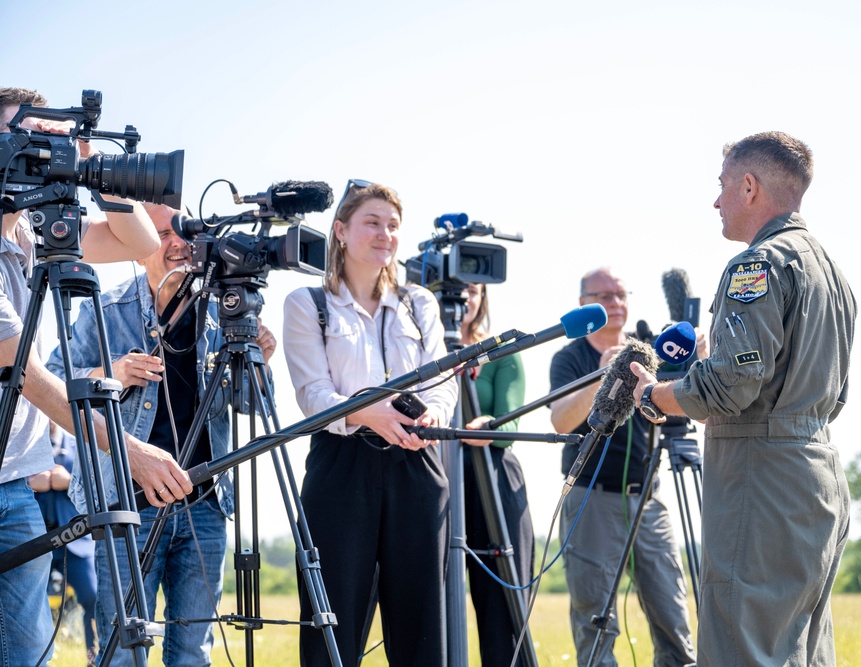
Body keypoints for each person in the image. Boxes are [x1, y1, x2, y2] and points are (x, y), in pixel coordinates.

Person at [630, 131, 856, 666]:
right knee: (800, 650)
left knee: (743, 650)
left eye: (723, 185)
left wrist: (656, 395)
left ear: (750, 186)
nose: (716, 200)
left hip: (763, 480)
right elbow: (828, 390)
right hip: (817, 472)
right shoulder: (831, 272)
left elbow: (732, 386)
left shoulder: (757, 265)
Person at [1, 86, 191, 667]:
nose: (39, 152)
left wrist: (93, 171)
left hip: (14, 487)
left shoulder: (34, 233)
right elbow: (24, 373)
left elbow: (137, 242)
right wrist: (128, 449)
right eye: (25, 136)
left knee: (27, 653)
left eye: (48, 139)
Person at [46, 201, 276, 666]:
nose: (176, 244)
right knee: (122, 650)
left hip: (205, 506)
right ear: (135, 245)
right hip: (129, 507)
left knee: (193, 652)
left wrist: (259, 361)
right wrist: (110, 371)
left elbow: (255, 408)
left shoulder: (223, 314)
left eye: (185, 234)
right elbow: (52, 380)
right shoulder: (106, 309)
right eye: (161, 234)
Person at [283, 180, 457, 666]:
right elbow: (312, 393)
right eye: (372, 223)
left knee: (422, 627)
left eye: (393, 226)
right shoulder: (307, 303)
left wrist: (436, 411)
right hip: (341, 466)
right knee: (332, 627)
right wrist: (364, 411)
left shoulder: (419, 301)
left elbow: (443, 379)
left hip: (416, 461)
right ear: (340, 230)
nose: (385, 234)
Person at [549, 267, 696, 667]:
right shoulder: (570, 357)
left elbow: (679, 411)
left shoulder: (646, 349)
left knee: (673, 613)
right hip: (593, 500)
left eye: (620, 294)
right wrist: (604, 375)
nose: (615, 303)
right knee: (595, 620)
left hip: (648, 499)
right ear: (584, 305)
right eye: (604, 296)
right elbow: (560, 420)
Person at [458, 282, 534, 667]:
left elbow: (508, 428)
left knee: (502, 610)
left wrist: (488, 424)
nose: (464, 297)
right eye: (455, 288)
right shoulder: (413, 346)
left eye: (472, 289)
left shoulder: (501, 351)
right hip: (437, 482)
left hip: (493, 481)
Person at [30, 421, 99, 665]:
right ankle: (37, 659)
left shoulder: (79, 444)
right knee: (28, 602)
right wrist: (29, 483)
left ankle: (95, 657)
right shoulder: (25, 445)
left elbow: (99, 485)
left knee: (93, 596)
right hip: (33, 542)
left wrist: (69, 481)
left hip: (75, 540)